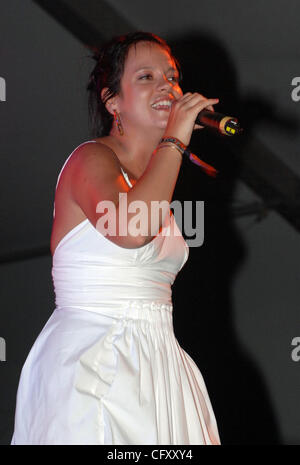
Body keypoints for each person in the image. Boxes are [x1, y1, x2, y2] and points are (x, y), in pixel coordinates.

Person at [11, 31, 221, 445]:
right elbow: (130, 228)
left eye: (172, 76)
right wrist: (176, 138)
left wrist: (171, 146)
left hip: (159, 363)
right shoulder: (90, 159)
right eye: (146, 77)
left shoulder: (156, 178)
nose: (168, 86)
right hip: (96, 362)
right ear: (112, 101)